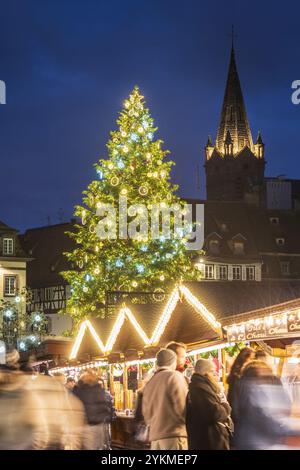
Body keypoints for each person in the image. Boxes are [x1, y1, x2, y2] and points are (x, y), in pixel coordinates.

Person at [233, 360, 291, 450]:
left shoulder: (240, 384)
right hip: (265, 438)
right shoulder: (271, 381)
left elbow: (235, 412)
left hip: (245, 437)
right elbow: (286, 406)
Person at [142, 348, 188, 450]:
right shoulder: (175, 376)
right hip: (173, 436)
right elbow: (182, 407)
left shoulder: (150, 381)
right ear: (173, 361)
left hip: (155, 439)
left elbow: (146, 414)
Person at [186, 359, 231, 450]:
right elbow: (214, 413)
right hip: (209, 441)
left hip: (208, 440)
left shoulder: (200, 387)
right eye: (213, 371)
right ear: (205, 373)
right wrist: (226, 407)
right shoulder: (200, 389)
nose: (216, 375)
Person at [73, 370, 114, 450]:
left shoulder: (79, 389)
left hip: (85, 425)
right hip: (98, 425)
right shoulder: (99, 389)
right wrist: (107, 417)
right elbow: (106, 405)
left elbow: (75, 405)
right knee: (97, 447)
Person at [227, 347, 254, 418]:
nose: (252, 361)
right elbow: (234, 400)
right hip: (243, 417)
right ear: (244, 359)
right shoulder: (238, 376)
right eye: (251, 359)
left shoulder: (238, 374)